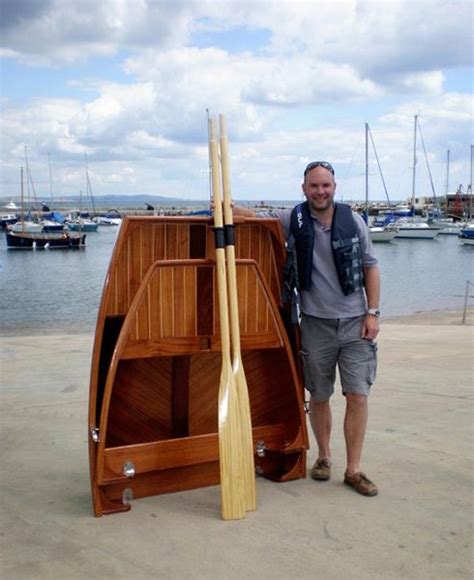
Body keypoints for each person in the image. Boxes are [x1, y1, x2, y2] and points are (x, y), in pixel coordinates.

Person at [234, 161, 380, 496]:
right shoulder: (294, 219)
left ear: (334, 187)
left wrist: (372, 313)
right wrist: (229, 207)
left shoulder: (352, 220)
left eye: (325, 185)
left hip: (356, 322)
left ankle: (354, 470)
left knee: (358, 395)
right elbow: (257, 218)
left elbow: (371, 266)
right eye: (314, 186)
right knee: (319, 395)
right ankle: (324, 457)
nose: (320, 191)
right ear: (304, 189)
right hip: (314, 324)